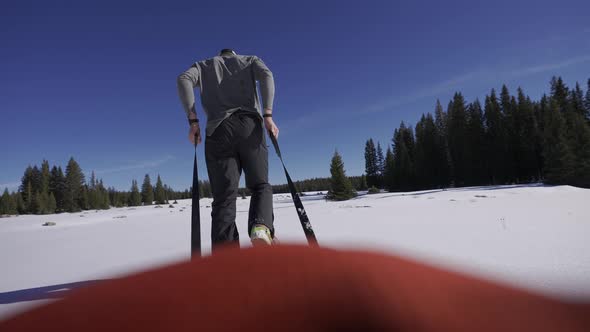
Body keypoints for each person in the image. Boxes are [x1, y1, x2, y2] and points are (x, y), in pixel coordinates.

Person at [176, 49, 278, 249]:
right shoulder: (249, 60)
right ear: (233, 54)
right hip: (250, 127)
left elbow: (183, 79)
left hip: (218, 130)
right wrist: (267, 114)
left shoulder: (203, 66)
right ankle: (260, 226)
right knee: (260, 185)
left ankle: (226, 256)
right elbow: (267, 75)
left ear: (220, 55)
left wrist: (193, 120)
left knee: (224, 198)